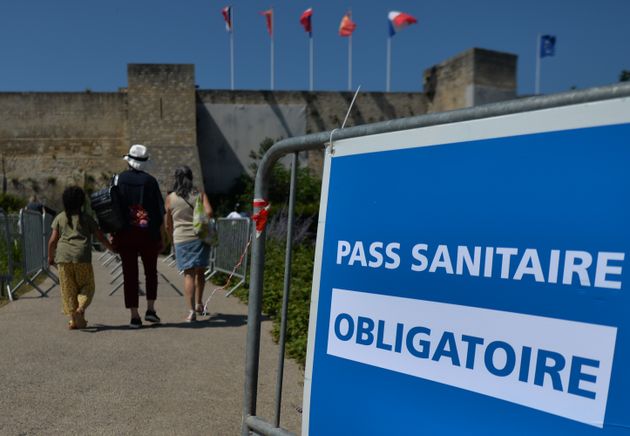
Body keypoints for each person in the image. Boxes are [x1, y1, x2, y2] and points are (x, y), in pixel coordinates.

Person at [111, 144, 165, 328]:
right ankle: (150, 309)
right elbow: (159, 212)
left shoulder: (118, 180)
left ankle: (134, 315)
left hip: (125, 233)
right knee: (151, 272)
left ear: (129, 161)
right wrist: (161, 236)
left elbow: (113, 207)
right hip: (148, 233)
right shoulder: (151, 181)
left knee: (130, 274)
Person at [48, 186, 114, 329]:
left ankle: (73, 321)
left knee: (68, 290)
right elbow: (100, 237)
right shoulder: (87, 219)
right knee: (87, 286)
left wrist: (50, 257)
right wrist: (112, 248)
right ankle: (81, 310)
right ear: (82, 202)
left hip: (63, 258)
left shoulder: (60, 218)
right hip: (82, 257)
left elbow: (52, 241)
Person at [164, 166, 213, 322]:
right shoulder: (199, 194)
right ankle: (199, 303)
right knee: (200, 272)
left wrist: (171, 239)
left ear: (176, 178)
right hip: (200, 237)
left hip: (181, 239)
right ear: (191, 177)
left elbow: (167, 224)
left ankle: (191, 311)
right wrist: (198, 215)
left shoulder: (170, 198)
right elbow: (210, 212)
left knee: (188, 274)